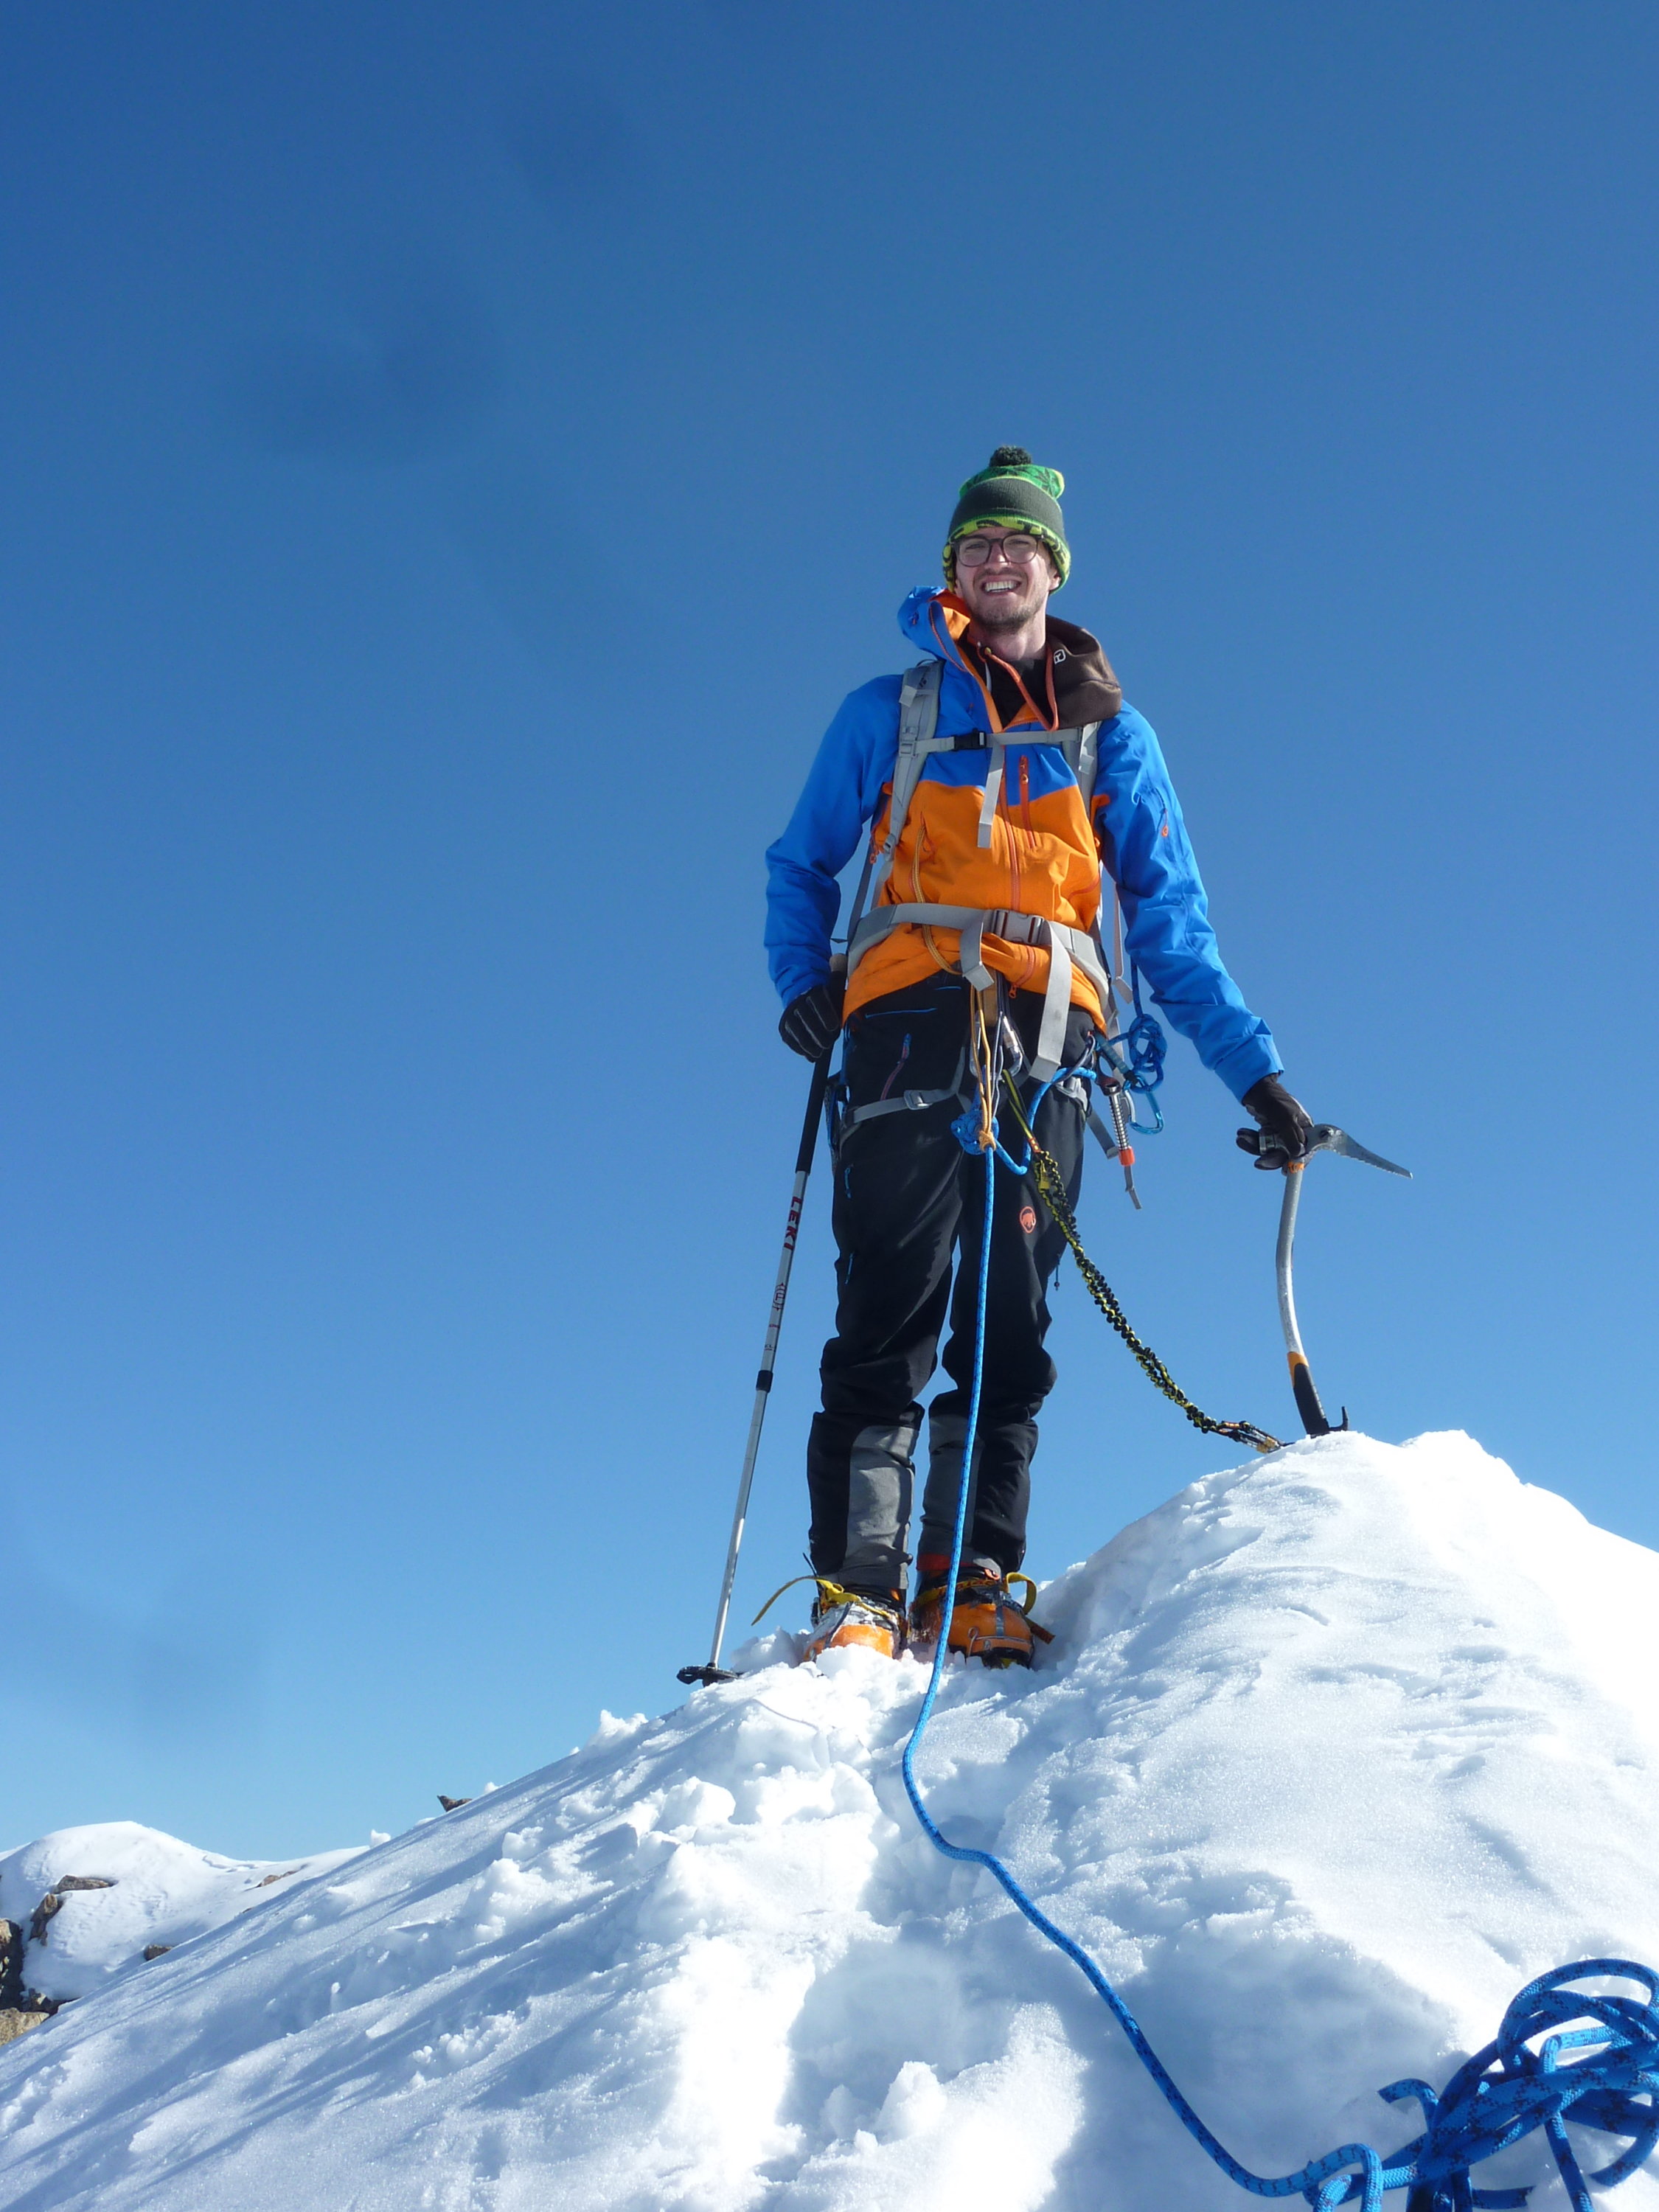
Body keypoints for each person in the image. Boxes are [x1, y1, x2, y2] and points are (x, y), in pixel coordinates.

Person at [765, 448, 1311, 1667]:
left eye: (1017, 542)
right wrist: (802, 980)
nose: (996, 558)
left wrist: (1254, 1073)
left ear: (1052, 569)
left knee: (1009, 1318)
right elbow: (798, 861)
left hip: (1054, 1042)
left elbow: (1170, 927)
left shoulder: (1112, 737)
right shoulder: (890, 712)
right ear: (952, 571)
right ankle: (858, 1592)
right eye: (976, 544)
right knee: (887, 1305)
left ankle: (969, 1578)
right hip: (905, 1021)